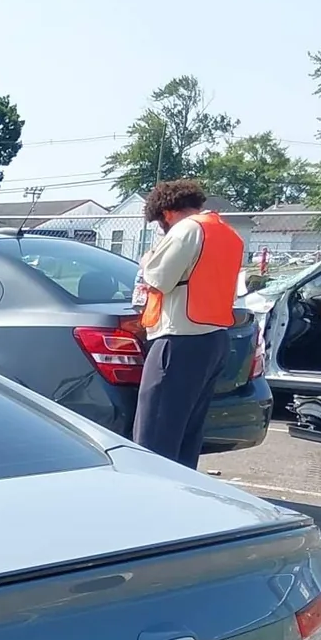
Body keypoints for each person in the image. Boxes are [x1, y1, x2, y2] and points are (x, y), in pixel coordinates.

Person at [131, 179, 246, 470]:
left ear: (167, 213)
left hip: (178, 339)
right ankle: (182, 491)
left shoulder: (186, 230)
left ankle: (153, 491)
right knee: (187, 434)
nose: (163, 228)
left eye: (161, 223)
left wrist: (147, 260)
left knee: (154, 433)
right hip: (214, 337)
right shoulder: (227, 233)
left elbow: (158, 278)